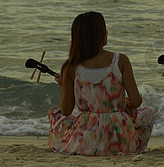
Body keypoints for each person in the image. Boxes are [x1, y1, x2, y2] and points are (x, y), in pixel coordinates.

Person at [48, 11, 154, 156]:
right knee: (148, 112)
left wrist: (67, 85)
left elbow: (66, 111)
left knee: (55, 113)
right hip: (120, 139)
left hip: (86, 140)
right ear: (101, 34)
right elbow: (136, 101)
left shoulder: (71, 67)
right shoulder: (120, 60)